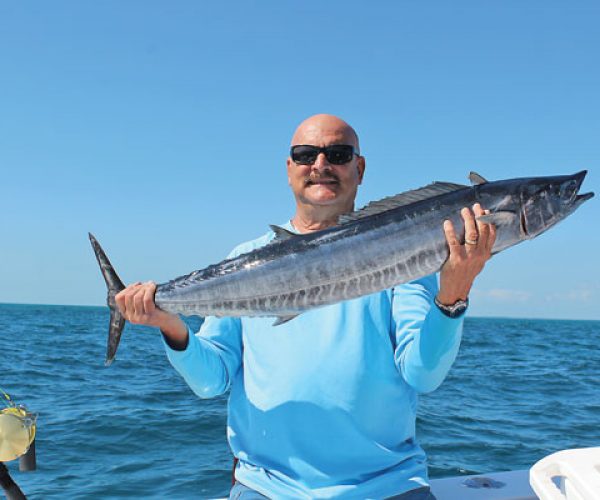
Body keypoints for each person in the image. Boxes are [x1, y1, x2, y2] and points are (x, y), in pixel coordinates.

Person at [115, 114, 495, 499]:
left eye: (338, 154)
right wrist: (172, 326)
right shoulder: (246, 259)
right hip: (266, 487)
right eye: (305, 154)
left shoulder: (409, 258)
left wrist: (454, 292)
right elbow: (211, 380)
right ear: (289, 168)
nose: (320, 166)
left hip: (387, 486)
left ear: (359, 168)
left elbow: (423, 374)